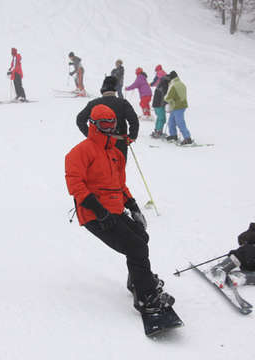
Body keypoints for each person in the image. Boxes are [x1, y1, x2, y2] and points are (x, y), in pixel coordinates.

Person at [65, 104, 175, 314]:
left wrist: (133, 207)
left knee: (141, 237)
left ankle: (137, 281)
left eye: (112, 124)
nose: (109, 129)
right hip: (94, 214)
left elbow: (120, 185)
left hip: (114, 210)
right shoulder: (79, 153)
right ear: (94, 125)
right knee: (136, 247)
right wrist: (99, 212)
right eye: (104, 124)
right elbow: (76, 186)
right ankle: (146, 298)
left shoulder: (115, 153)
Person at [76, 76, 139, 161]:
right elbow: (134, 121)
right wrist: (131, 137)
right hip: (119, 143)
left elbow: (80, 119)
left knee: (99, 171)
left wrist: (90, 135)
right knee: (118, 171)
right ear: (115, 89)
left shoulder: (93, 103)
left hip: (98, 143)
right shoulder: (123, 103)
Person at [210, 223, 255, 288]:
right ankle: (220, 270)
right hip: (243, 256)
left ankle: (238, 277)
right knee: (241, 255)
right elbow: (242, 238)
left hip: (250, 266)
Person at [164, 71, 192, 145]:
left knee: (180, 122)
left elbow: (167, 97)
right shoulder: (182, 84)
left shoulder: (173, 85)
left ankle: (187, 138)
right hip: (180, 105)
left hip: (177, 106)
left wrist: (169, 101)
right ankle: (173, 135)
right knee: (171, 121)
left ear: (172, 77)